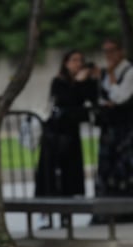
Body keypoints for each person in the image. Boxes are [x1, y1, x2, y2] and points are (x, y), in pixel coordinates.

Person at [34, 49, 99, 228]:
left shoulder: (83, 82)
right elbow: (66, 100)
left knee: (69, 176)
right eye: (74, 60)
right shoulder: (59, 82)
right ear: (66, 63)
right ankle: (46, 215)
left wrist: (92, 79)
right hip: (55, 135)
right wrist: (78, 83)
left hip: (71, 135)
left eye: (81, 60)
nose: (78, 64)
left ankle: (66, 215)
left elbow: (91, 99)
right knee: (49, 175)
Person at [96, 38, 133, 199]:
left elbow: (120, 97)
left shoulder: (130, 72)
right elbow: (103, 98)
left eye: (112, 50)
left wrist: (111, 78)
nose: (109, 55)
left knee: (125, 165)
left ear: (121, 51)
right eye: (106, 51)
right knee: (108, 167)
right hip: (109, 126)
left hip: (125, 127)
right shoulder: (105, 72)